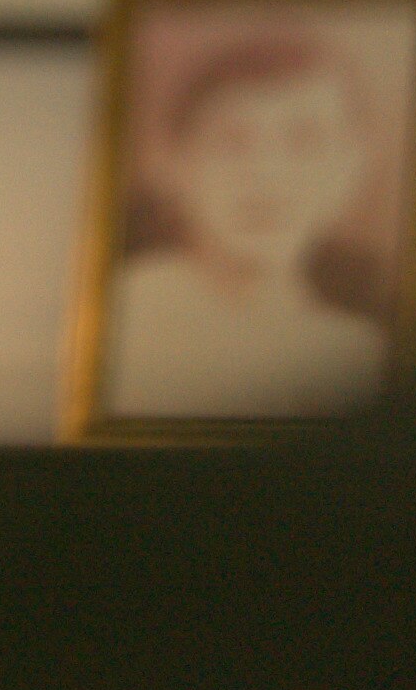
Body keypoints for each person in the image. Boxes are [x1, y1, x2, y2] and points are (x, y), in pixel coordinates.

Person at [109, 27, 394, 419]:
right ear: (175, 165)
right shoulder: (130, 309)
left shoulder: (355, 351)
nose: (265, 173)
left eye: (304, 141)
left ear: (352, 167)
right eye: (231, 142)